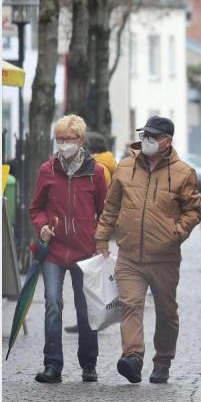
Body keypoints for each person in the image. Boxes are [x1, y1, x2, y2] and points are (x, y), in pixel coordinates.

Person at [95, 116, 201, 384]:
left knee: (166, 311)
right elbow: (111, 206)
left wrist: (176, 233)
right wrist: (101, 239)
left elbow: (194, 210)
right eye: (145, 135)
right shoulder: (126, 166)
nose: (147, 141)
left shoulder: (184, 172)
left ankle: (163, 361)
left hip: (164, 257)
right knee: (131, 305)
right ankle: (132, 356)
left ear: (167, 141)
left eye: (153, 137)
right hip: (129, 254)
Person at [29, 114, 108, 384]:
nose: (65, 143)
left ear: (81, 140)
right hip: (54, 250)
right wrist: (42, 226)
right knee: (52, 303)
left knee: (85, 309)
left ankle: (89, 363)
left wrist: (101, 240)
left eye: (70, 139)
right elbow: (36, 208)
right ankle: (52, 365)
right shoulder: (47, 170)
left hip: (85, 251)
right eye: (61, 139)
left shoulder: (95, 172)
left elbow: (105, 211)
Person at [64, 131, 119, 335]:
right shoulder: (108, 163)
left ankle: (89, 321)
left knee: (88, 284)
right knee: (89, 282)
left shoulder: (99, 168)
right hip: (97, 231)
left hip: (90, 233)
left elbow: (97, 201)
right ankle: (87, 320)